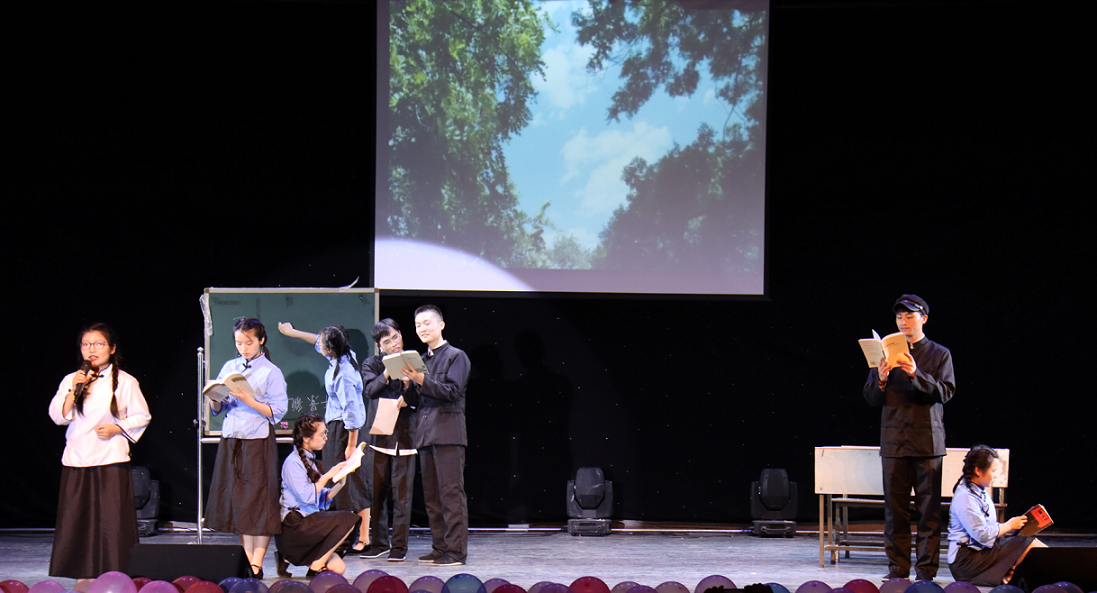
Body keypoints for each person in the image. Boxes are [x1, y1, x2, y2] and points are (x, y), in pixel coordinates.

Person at [47, 322, 152, 578]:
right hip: (77, 458)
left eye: (98, 344)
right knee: (77, 519)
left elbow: (142, 415)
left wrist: (117, 428)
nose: (91, 349)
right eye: (86, 344)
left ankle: (116, 574)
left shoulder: (125, 381)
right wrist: (74, 389)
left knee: (112, 521)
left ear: (112, 348)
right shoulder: (71, 380)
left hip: (110, 457)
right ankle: (81, 575)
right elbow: (58, 416)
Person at [863, 294, 955, 581]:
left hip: (927, 443)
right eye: (899, 316)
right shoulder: (885, 353)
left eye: (909, 316)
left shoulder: (939, 353)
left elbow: (945, 392)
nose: (903, 321)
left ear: (924, 318)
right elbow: (870, 398)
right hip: (894, 442)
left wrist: (916, 373)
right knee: (895, 512)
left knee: (928, 511)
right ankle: (897, 569)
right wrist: (880, 379)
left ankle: (926, 572)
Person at [205, 318, 288, 579]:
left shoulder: (271, 372)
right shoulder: (230, 367)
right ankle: (247, 558)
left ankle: (257, 563)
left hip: (257, 439)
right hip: (233, 438)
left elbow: (277, 412)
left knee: (259, 501)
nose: (243, 348)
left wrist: (248, 399)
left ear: (261, 340)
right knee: (241, 502)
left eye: (249, 342)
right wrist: (214, 398)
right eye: (239, 343)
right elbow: (219, 408)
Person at [278, 322, 371, 552]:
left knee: (347, 482)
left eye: (323, 344)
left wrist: (351, 445)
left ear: (330, 349)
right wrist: (293, 333)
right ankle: (354, 535)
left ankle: (356, 537)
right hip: (340, 427)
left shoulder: (344, 374)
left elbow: (351, 412)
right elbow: (317, 340)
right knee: (345, 481)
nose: (318, 344)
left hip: (345, 430)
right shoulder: (344, 355)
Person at [401, 305, 470, 566]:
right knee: (431, 498)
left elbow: (452, 391)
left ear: (441, 325)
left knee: (451, 494)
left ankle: (456, 552)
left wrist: (420, 379)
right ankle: (440, 547)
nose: (422, 328)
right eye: (418, 325)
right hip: (426, 435)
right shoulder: (420, 360)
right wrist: (407, 384)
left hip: (448, 434)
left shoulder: (456, 356)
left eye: (427, 323)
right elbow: (414, 400)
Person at [275, 413, 361, 577]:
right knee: (348, 519)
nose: (325, 438)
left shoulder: (310, 461)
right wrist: (327, 476)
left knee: (338, 568)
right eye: (322, 435)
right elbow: (306, 496)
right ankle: (314, 567)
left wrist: (341, 481)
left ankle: (309, 562)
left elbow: (321, 500)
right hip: (295, 525)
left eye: (325, 433)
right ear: (307, 438)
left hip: (310, 523)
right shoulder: (293, 462)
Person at [359, 318, 417, 562]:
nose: (394, 343)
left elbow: (422, 396)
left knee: (402, 496)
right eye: (387, 342)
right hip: (379, 436)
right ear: (379, 346)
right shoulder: (371, 364)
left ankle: (399, 546)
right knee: (377, 493)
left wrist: (408, 386)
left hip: (406, 436)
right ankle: (379, 542)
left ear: (401, 334)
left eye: (395, 337)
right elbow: (370, 390)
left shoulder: (414, 361)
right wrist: (388, 371)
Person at [948, 445, 1045, 585]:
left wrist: (1015, 528)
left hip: (981, 551)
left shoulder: (981, 492)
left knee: (1026, 544)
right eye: (993, 471)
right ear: (978, 471)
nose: (996, 475)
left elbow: (988, 528)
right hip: (967, 560)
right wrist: (1008, 525)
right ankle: (1062, 570)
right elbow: (982, 535)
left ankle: (1013, 574)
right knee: (1029, 543)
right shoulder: (965, 497)